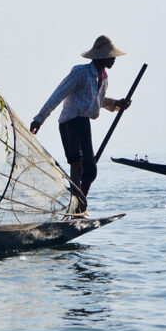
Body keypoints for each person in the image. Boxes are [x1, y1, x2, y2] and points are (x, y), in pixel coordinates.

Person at [29, 35, 130, 206]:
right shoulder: (80, 72)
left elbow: (98, 100)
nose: (114, 59)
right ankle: (74, 203)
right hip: (70, 122)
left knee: (90, 171)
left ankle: (79, 205)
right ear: (101, 57)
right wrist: (39, 119)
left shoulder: (103, 78)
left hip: (84, 123)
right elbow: (58, 95)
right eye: (111, 56)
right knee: (77, 165)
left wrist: (117, 104)